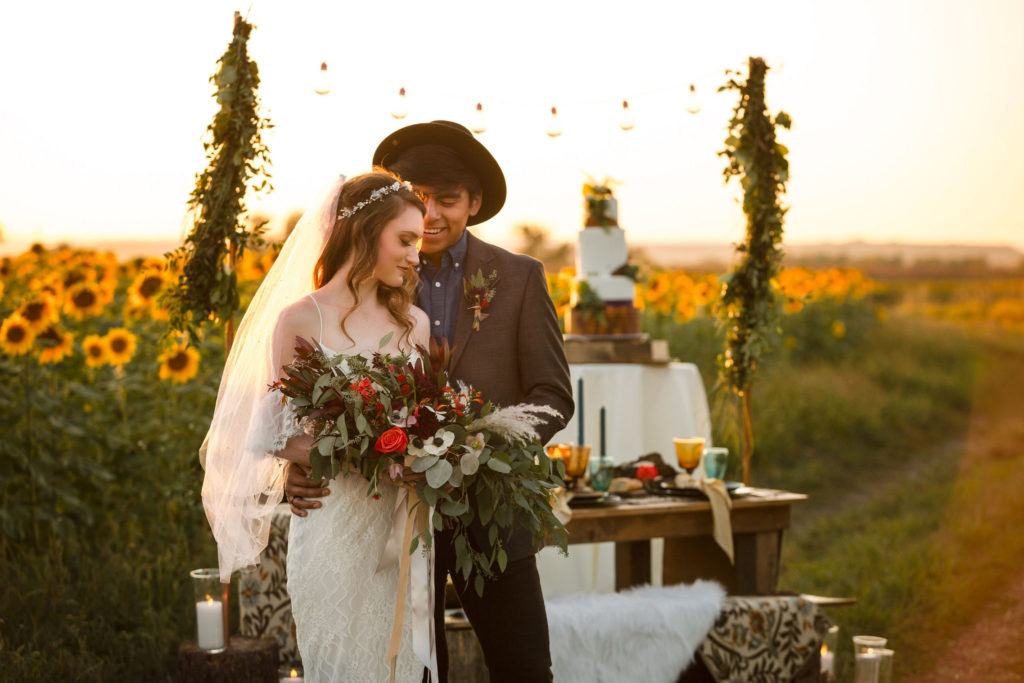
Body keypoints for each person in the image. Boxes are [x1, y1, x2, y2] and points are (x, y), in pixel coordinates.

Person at [285, 121, 575, 682]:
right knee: (410, 669)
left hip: (490, 511)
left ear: (475, 202)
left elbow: (553, 395)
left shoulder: (519, 278)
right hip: (386, 516)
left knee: (523, 667)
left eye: (448, 199)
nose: (432, 213)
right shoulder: (370, 282)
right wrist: (298, 465)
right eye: (419, 197)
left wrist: (476, 450)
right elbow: (304, 401)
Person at [201, 171, 433, 682]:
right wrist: (352, 454)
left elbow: (425, 420)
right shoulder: (299, 320)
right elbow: (274, 430)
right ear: (365, 231)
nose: (416, 255)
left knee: (400, 666)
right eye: (406, 240)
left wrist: (428, 455)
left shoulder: (414, 324)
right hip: (331, 525)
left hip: (401, 529)